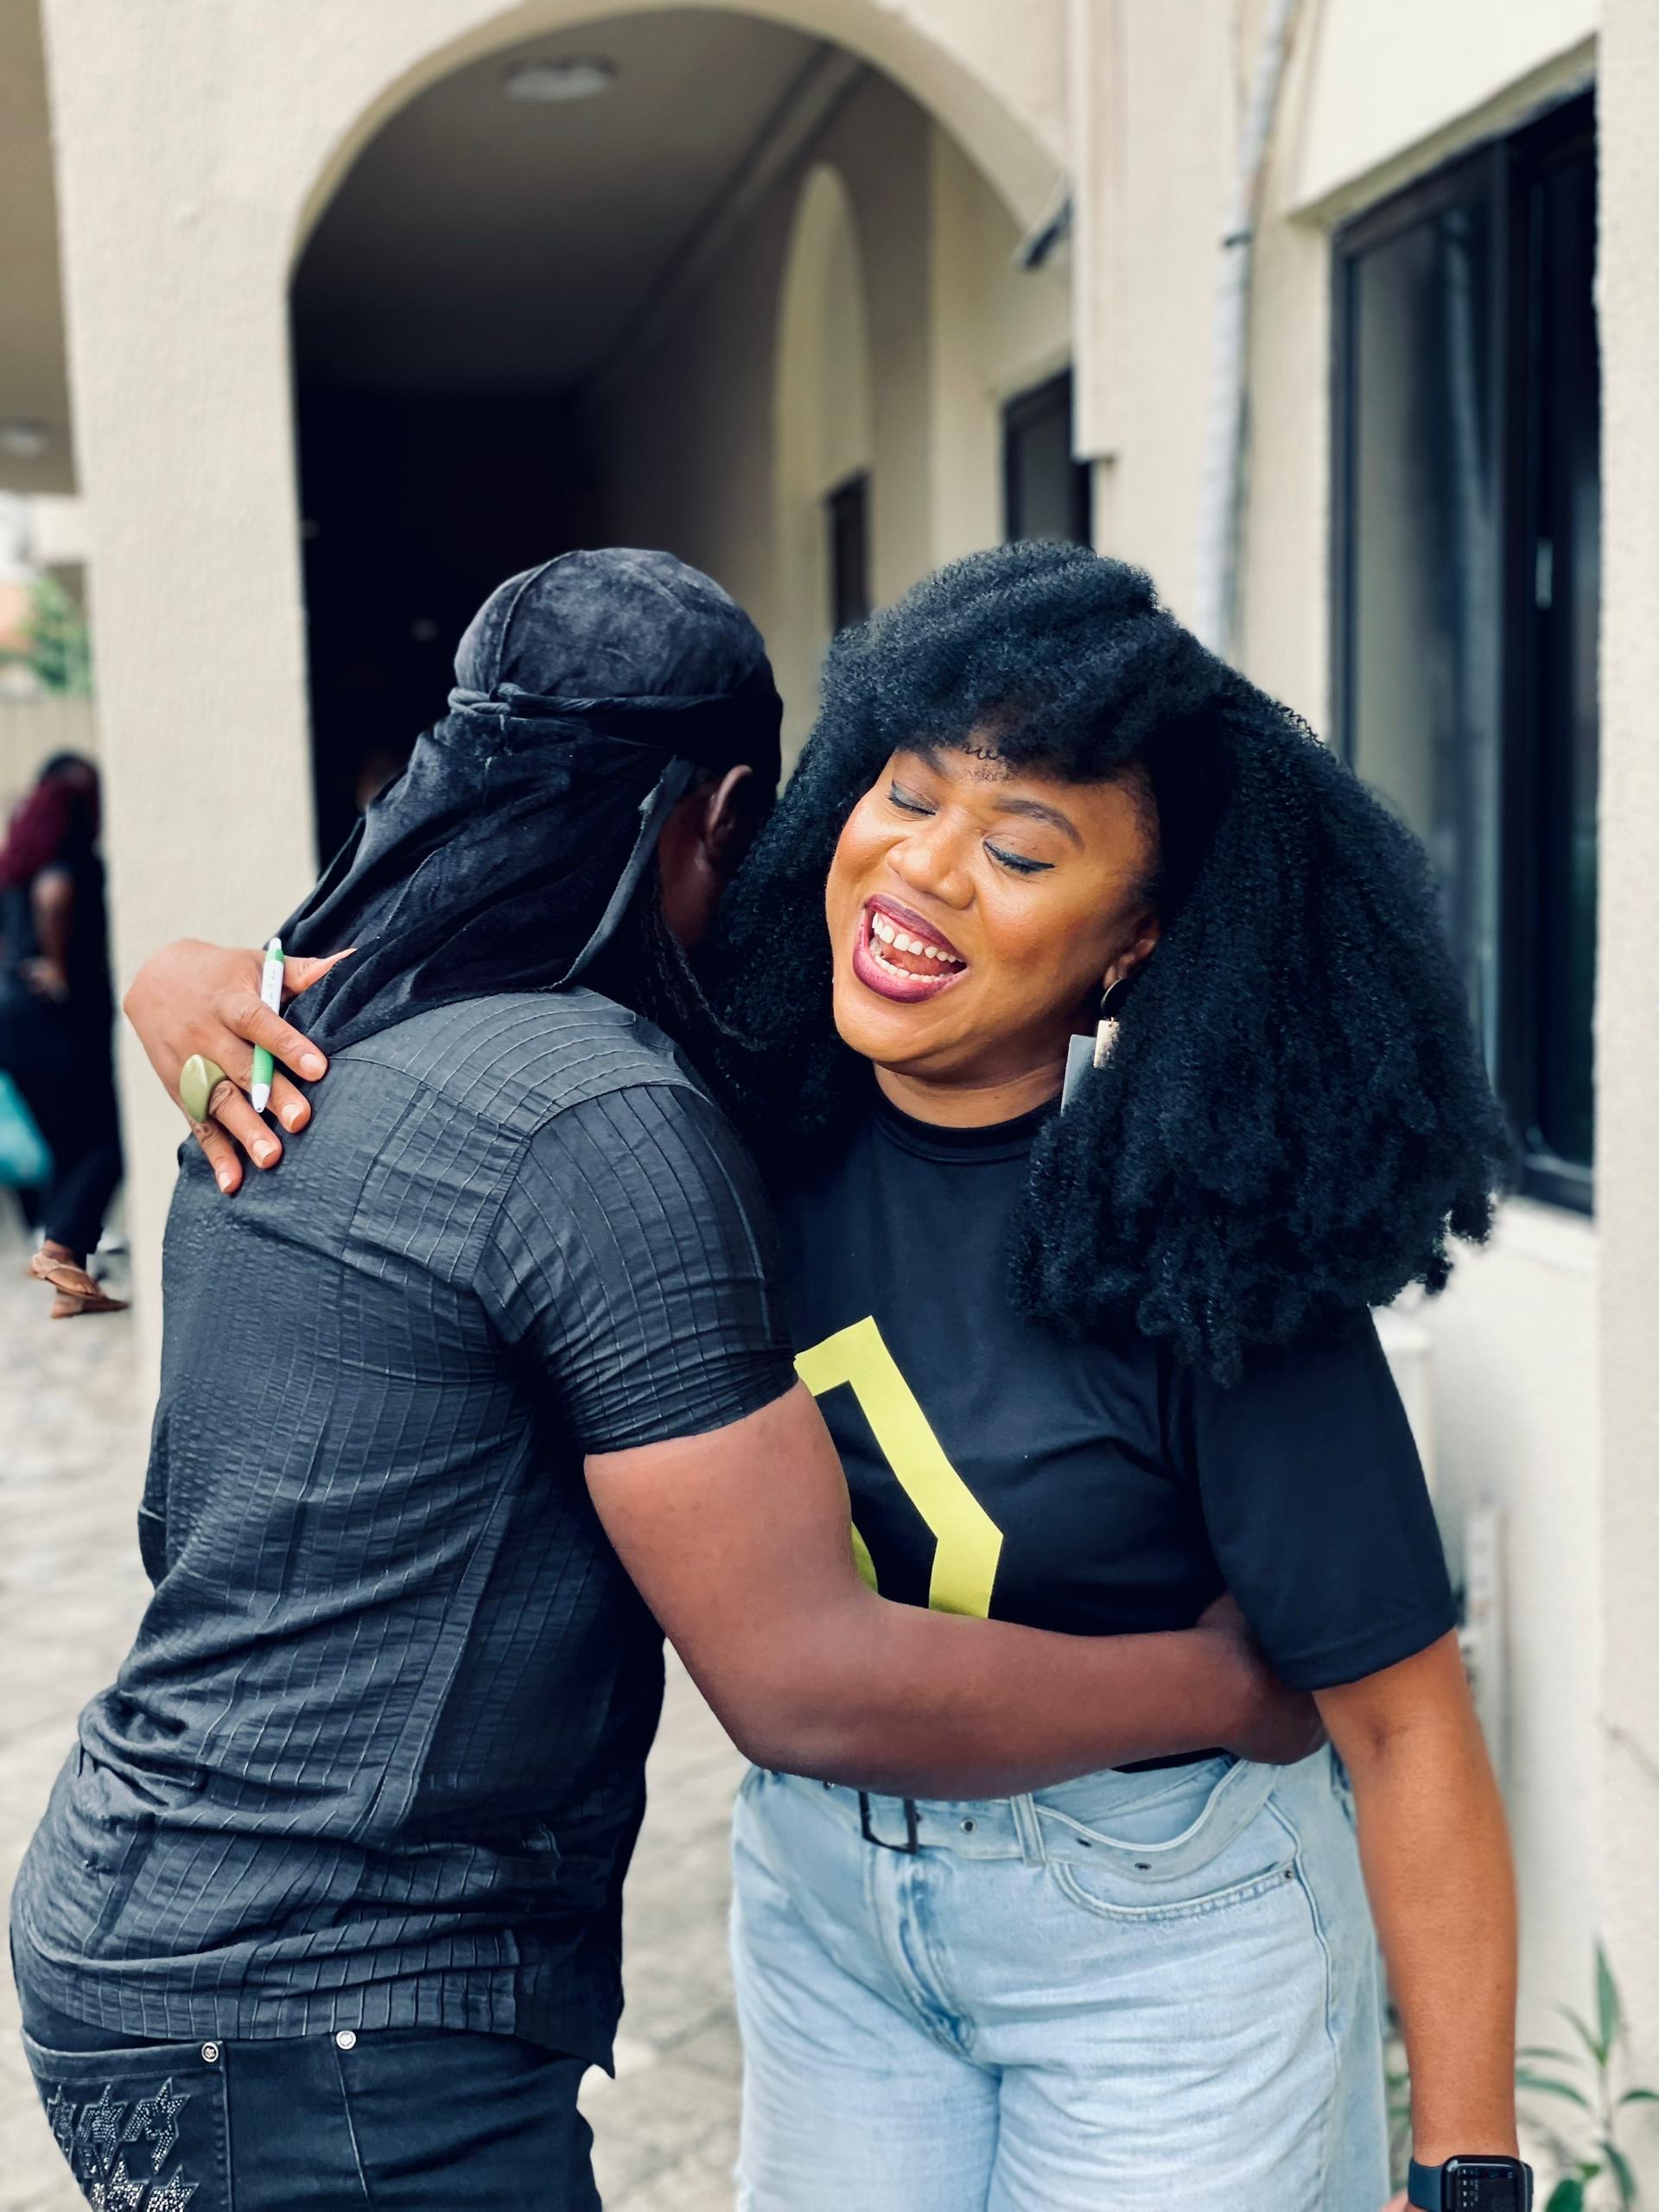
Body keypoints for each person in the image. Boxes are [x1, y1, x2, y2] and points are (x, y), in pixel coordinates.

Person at [141, 545, 1526, 2212]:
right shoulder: (709, 1116)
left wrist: (1468, 2163)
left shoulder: (1208, 1257)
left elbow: (1405, 1727)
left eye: (1021, 850)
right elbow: (434, 973)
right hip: (829, 1915)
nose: (924, 869)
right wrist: (199, 981)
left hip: (1157, 1940)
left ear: (1139, 939)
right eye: (907, 794)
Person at [0, 753, 125, 1314]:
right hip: (56, 1021)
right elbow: (56, 896)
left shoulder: (17, 859)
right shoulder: (65, 856)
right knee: (105, 1143)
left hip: (15, 1017)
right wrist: (61, 970)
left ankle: (70, 1290)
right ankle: (59, 1253)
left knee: (69, 1150)